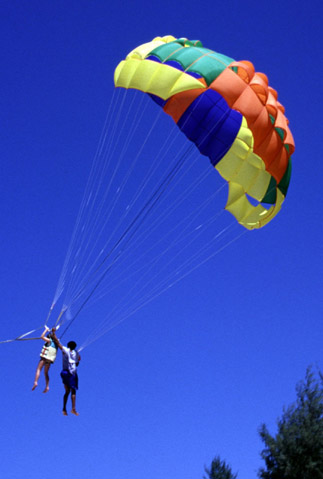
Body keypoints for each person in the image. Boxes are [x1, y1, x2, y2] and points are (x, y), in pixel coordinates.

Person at [51, 329, 81, 416]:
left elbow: (57, 343)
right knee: (73, 391)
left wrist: (53, 333)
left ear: (68, 346)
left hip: (64, 373)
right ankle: (73, 409)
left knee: (67, 391)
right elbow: (77, 364)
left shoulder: (65, 350)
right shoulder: (76, 353)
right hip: (72, 374)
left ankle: (64, 408)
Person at [32, 326, 58, 393]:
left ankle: (35, 382)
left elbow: (42, 336)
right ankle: (47, 386)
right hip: (49, 360)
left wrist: (46, 330)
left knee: (38, 369)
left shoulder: (49, 341)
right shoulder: (56, 344)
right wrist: (53, 332)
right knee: (46, 373)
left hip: (44, 358)